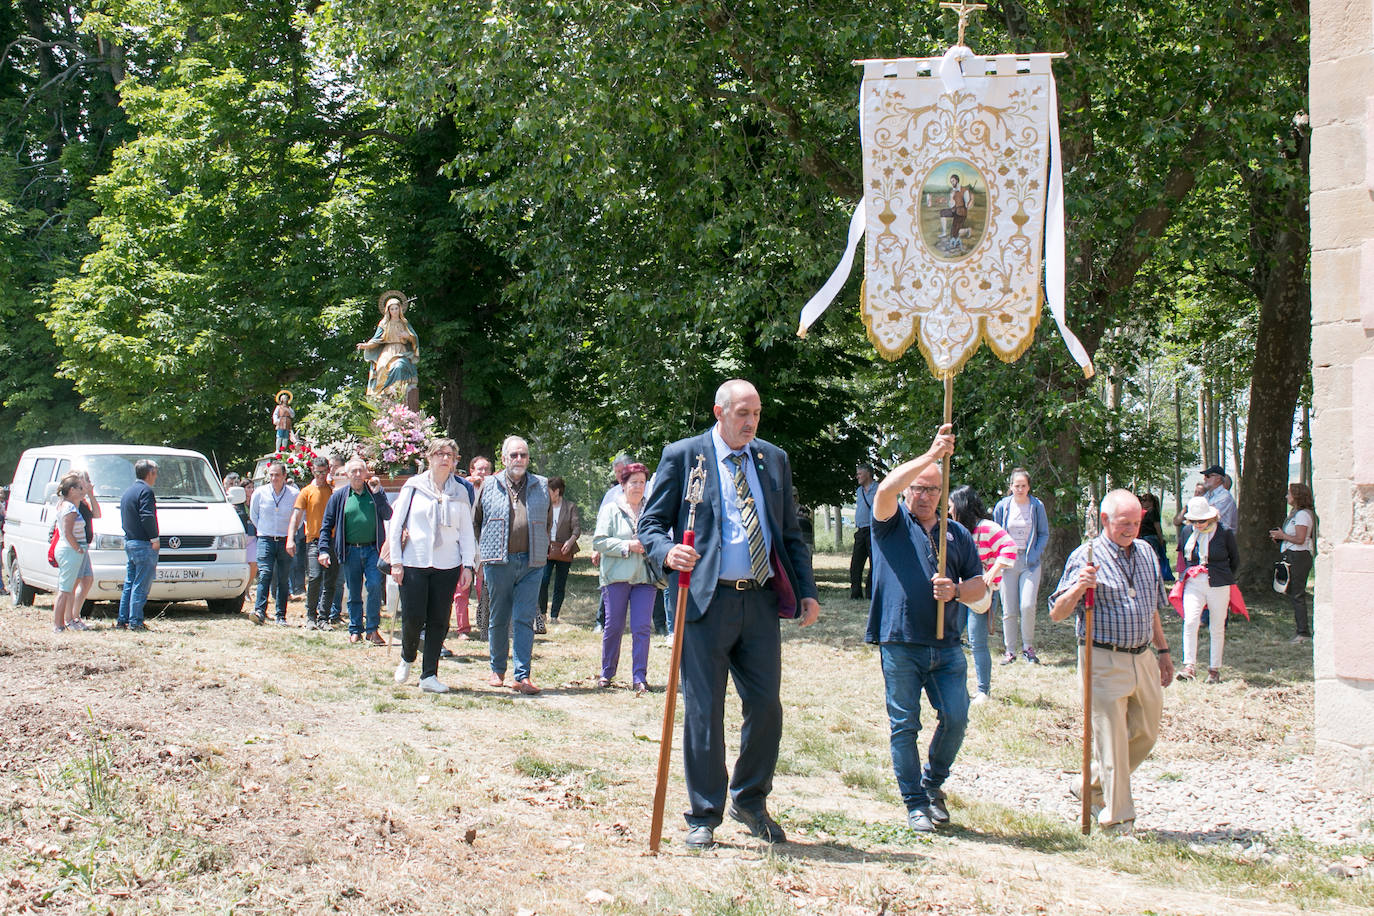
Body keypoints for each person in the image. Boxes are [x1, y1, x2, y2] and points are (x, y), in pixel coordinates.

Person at [639, 378, 821, 851]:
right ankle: (704, 812)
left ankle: (750, 798)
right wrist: (665, 553)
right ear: (719, 413)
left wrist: (807, 591)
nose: (751, 423)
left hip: (759, 600)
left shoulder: (772, 459)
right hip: (704, 600)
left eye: (756, 414)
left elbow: (790, 533)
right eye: (743, 413)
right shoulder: (685, 456)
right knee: (704, 710)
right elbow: (652, 523)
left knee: (765, 707)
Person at [867, 431, 986, 831]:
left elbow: (979, 586)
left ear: (943, 494)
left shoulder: (957, 534)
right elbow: (885, 488)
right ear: (908, 491)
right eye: (918, 488)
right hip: (900, 640)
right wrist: (932, 454)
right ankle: (915, 803)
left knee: (956, 715)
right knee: (905, 724)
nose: (924, 496)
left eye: (933, 489)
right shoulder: (890, 522)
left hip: (947, 644)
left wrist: (955, 590)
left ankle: (932, 784)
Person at [1049, 490, 1174, 837]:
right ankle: (1118, 821)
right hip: (1101, 657)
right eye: (1124, 523)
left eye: (1136, 523)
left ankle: (1089, 786)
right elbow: (1057, 613)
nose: (1131, 529)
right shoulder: (1086, 556)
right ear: (1105, 521)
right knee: (1113, 742)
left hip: (1143, 657)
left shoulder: (1147, 552)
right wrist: (1078, 587)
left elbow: (1151, 608)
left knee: (1146, 733)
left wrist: (1162, 653)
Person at [389, 439, 477, 694]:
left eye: (449, 454)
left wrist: (468, 566)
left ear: (455, 460)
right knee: (413, 618)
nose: (444, 458)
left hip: (447, 565)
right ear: (429, 458)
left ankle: (429, 675)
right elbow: (396, 526)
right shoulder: (413, 487)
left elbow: (466, 533)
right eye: (439, 453)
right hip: (414, 562)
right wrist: (396, 562)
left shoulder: (460, 492)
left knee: (439, 621)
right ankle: (407, 656)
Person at [476, 436, 553, 695]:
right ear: (504, 458)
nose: (519, 459)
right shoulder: (488, 484)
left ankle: (523, 676)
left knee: (524, 619)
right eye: (514, 455)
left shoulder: (541, 485)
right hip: (499, 562)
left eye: (523, 455)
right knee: (498, 618)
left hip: (532, 563)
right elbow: (477, 521)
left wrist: (541, 547)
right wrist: (485, 551)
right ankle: (497, 670)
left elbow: (548, 522)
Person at [949, 484, 1017, 704]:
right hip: (961, 591)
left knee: (977, 641)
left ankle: (982, 691)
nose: (949, 511)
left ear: (962, 506)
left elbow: (1009, 547)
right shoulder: (958, 530)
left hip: (982, 595)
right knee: (952, 637)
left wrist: (994, 571)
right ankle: (954, 686)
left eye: (951, 507)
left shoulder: (987, 527)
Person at [592, 462, 656, 694]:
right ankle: (607, 672)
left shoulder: (652, 510)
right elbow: (599, 541)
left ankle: (639, 677)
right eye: (634, 482)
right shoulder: (611, 509)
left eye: (642, 482)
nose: (638, 487)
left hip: (645, 578)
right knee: (614, 626)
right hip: (616, 577)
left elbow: (662, 536)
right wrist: (628, 545)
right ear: (623, 484)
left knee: (641, 628)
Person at [318, 458, 392, 645]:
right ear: (347, 475)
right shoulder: (339, 496)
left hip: (373, 549)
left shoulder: (374, 493)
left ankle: (372, 629)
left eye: (361, 471)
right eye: (354, 471)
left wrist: (378, 494)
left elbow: (388, 515)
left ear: (366, 473)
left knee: (375, 586)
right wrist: (324, 550)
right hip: (350, 550)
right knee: (354, 592)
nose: (358, 475)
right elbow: (327, 525)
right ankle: (355, 629)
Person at [1176, 496, 1240, 684]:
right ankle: (1189, 666)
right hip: (1194, 582)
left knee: (1217, 626)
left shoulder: (1224, 532)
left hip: (1218, 582)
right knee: (1190, 621)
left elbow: (1234, 559)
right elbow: (1185, 558)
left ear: (1211, 517)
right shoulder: (1187, 531)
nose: (1198, 525)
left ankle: (1214, 669)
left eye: (1202, 521)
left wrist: (1223, 575)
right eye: (1194, 521)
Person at [992, 468, 1050, 665]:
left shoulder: (1036, 506)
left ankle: (1028, 647)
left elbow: (1044, 533)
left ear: (1029, 487)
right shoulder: (1002, 506)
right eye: (1016, 486)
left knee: (1027, 605)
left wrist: (1034, 554)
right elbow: (995, 532)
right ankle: (1010, 650)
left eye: (1023, 486)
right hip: (1007, 561)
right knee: (1008, 608)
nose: (1020, 489)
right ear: (1011, 487)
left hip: (1029, 562)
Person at [288, 457, 337, 630]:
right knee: (315, 577)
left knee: (330, 580)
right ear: (312, 471)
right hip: (314, 540)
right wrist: (290, 538)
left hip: (332, 541)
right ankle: (311, 615)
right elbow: (296, 515)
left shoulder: (333, 491)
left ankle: (324, 617)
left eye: (324, 472)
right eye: (318, 472)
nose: (321, 475)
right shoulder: (306, 491)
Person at [249, 462, 299, 626]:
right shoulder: (260, 492)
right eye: (271, 475)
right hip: (266, 538)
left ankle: (281, 615)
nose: (273, 478)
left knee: (283, 578)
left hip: (285, 539)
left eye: (277, 475)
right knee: (264, 574)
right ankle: (259, 611)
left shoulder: (293, 493)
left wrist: (291, 535)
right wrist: (264, 530)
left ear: (284, 476)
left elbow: (298, 516)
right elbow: (254, 515)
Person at [452, 455, 493, 640]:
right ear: (471, 471)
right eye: (479, 469)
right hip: (464, 542)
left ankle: (486, 625)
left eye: (486, 469)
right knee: (462, 588)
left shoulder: (494, 489)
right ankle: (463, 629)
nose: (482, 473)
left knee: (483, 587)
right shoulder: (462, 487)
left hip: (485, 543)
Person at [117, 459, 160, 632]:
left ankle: (123, 619)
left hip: (131, 541)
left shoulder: (128, 492)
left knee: (130, 582)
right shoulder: (146, 491)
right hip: (143, 543)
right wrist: (154, 538)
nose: (156, 477)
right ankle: (135, 621)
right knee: (141, 585)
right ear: (150, 473)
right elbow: (147, 515)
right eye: (155, 473)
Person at [357, 290, 420, 407]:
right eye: (392, 309)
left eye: (396, 308)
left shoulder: (404, 323)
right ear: (388, 310)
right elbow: (376, 340)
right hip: (387, 351)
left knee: (399, 366)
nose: (394, 311)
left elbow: (414, 338)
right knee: (381, 368)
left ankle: (399, 395)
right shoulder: (384, 324)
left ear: (400, 309)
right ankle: (385, 396)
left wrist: (408, 336)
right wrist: (366, 345)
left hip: (402, 352)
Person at [1271, 482, 1316, 642]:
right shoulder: (1295, 514)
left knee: (1297, 594)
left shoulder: (1303, 515)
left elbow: (1300, 538)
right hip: (1292, 554)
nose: (1286, 496)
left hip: (1299, 556)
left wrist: (1283, 536)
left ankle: (1303, 632)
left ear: (1296, 496)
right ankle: (1300, 629)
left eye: (1289, 493)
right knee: (1294, 593)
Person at [52, 474, 91, 633]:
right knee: (65, 589)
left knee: (67, 588)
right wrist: (78, 548)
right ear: (72, 490)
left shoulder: (66, 505)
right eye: (80, 488)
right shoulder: (69, 508)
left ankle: (61, 623)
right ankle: (58, 625)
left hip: (69, 549)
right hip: (70, 550)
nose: (83, 491)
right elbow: (68, 532)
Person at [541, 476, 581, 625]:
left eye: (548, 491)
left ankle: (554, 615)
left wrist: (570, 542)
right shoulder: (545, 506)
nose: (546, 494)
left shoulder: (570, 507)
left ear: (557, 491)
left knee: (560, 584)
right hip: (547, 549)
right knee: (543, 581)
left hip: (564, 550)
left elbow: (576, 528)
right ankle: (542, 613)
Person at [67, 471, 101, 630]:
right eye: (85, 480)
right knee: (73, 583)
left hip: (84, 546)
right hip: (75, 546)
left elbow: (97, 514)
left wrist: (91, 495)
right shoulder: (72, 502)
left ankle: (76, 615)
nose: (88, 483)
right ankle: (69, 618)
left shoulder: (84, 502)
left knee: (87, 579)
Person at [851, 463, 878, 600]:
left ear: (868, 473)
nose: (857, 477)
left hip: (873, 530)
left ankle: (870, 593)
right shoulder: (858, 490)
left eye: (859, 474)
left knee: (874, 563)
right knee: (856, 564)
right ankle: (855, 593)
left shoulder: (879, 489)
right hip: (861, 530)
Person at [1136, 492, 1174, 583]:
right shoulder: (1144, 512)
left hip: (1151, 537)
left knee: (1153, 557)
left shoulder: (1152, 511)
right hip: (1144, 537)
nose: (1143, 502)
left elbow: (1157, 526)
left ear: (1151, 502)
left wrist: (1160, 538)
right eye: (1142, 500)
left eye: (1145, 501)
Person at [1201, 464, 1239, 532]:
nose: (1204, 479)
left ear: (1218, 478)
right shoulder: (1207, 495)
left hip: (1224, 537)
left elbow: (1211, 516)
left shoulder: (1225, 497)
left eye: (1208, 476)